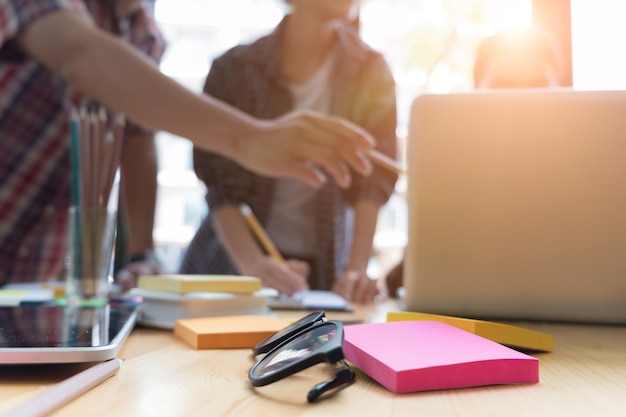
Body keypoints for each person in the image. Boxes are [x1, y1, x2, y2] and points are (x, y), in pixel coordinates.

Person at [0, 0, 375, 290]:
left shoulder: (145, 36)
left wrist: (141, 254)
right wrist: (252, 139)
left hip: (39, 265)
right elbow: (79, 52)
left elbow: (137, 143)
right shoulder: (235, 67)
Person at [180, 0, 398, 303]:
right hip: (231, 262)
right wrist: (252, 262)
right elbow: (220, 184)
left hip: (321, 268)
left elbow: (372, 183)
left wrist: (356, 270)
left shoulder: (369, 70)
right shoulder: (234, 69)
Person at [385, 26, 565, 298]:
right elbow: (411, 278)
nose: (523, 100)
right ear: (476, 91)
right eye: (503, 86)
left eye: (538, 84)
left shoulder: (596, 169)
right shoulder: (451, 168)